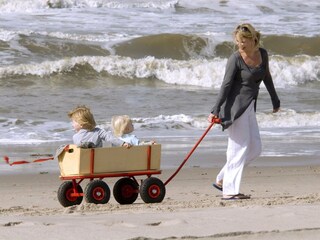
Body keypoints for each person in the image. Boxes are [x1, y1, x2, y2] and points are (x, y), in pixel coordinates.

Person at [208, 23, 280, 200]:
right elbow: (226, 85)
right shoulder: (235, 59)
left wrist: (275, 99)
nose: (240, 45)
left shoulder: (262, 54)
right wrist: (215, 110)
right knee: (238, 149)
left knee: (255, 148)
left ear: (253, 39)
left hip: (249, 107)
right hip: (235, 109)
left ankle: (223, 178)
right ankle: (230, 191)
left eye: (244, 41)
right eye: (238, 41)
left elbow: (267, 77)